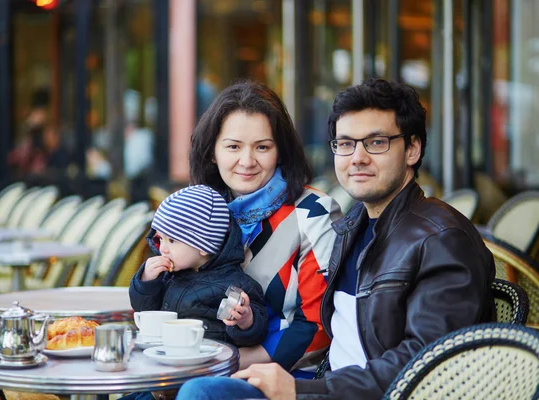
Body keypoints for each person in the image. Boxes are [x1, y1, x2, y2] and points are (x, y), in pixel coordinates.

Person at [176, 78, 496, 399]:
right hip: (325, 384)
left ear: (412, 148)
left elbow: (428, 363)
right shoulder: (356, 224)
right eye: (345, 143)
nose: (357, 157)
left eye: (376, 142)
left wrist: (300, 387)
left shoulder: (441, 239)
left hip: (340, 390)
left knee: (199, 393)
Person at [188, 80, 342, 376]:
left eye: (262, 147)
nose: (247, 161)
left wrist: (216, 365)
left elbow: (317, 328)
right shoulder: (203, 210)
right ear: (212, 152)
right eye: (233, 146)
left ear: (280, 152)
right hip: (202, 364)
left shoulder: (313, 212)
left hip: (283, 376)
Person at [129, 184, 268, 346]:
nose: (163, 248)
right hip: (164, 355)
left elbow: (256, 335)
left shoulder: (237, 285)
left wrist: (246, 321)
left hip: (206, 361)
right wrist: (146, 282)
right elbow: (143, 310)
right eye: (160, 238)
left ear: (204, 245)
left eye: (172, 240)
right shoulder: (166, 276)